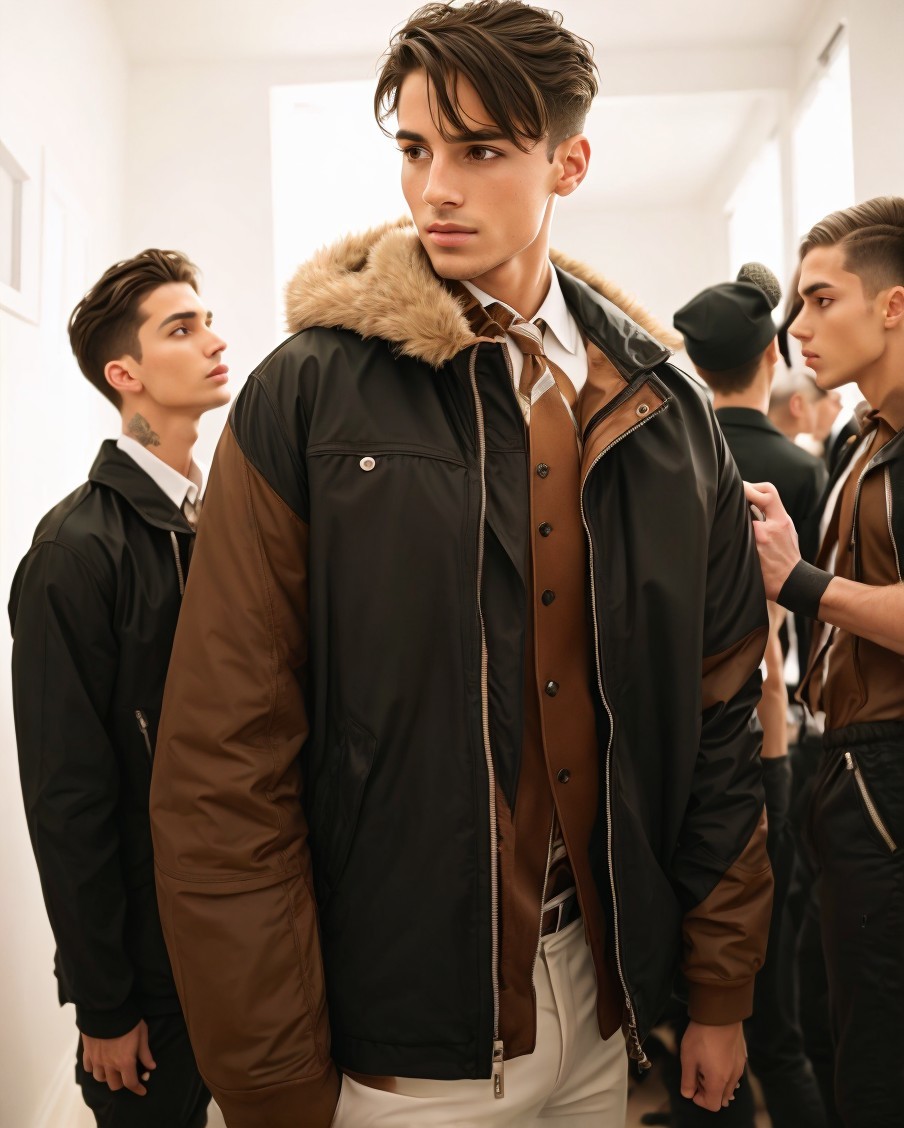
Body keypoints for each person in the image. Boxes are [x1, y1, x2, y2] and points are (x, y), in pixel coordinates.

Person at [150, 5, 772, 1127]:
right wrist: (273, 1074)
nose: (435, 187)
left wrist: (718, 988)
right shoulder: (309, 394)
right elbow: (224, 755)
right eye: (413, 148)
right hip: (392, 1038)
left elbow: (720, 710)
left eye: (479, 151)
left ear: (566, 163)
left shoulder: (664, 411)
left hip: (599, 1007)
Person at [9, 249, 229, 1128]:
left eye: (208, 319)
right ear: (124, 374)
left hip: (239, 939)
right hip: (146, 968)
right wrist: (103, 1001)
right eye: (183, 327)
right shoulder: (74, 553)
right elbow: (67, 796)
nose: (215, 340)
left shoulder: (220, 522)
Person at [745, 195, 904, 1128]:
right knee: (844, 1040)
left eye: (820, 299)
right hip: (841, 763)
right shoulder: (856, 438)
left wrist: (798, 580)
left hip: (888, 763)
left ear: (892, 305)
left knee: (879, 1063)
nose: (798, 326)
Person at [670, 267, 827, 1128]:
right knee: (776, 998)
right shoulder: (794, 472)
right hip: (772, 727)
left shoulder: (671, 460)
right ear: (772, 353)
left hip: (679, 739)